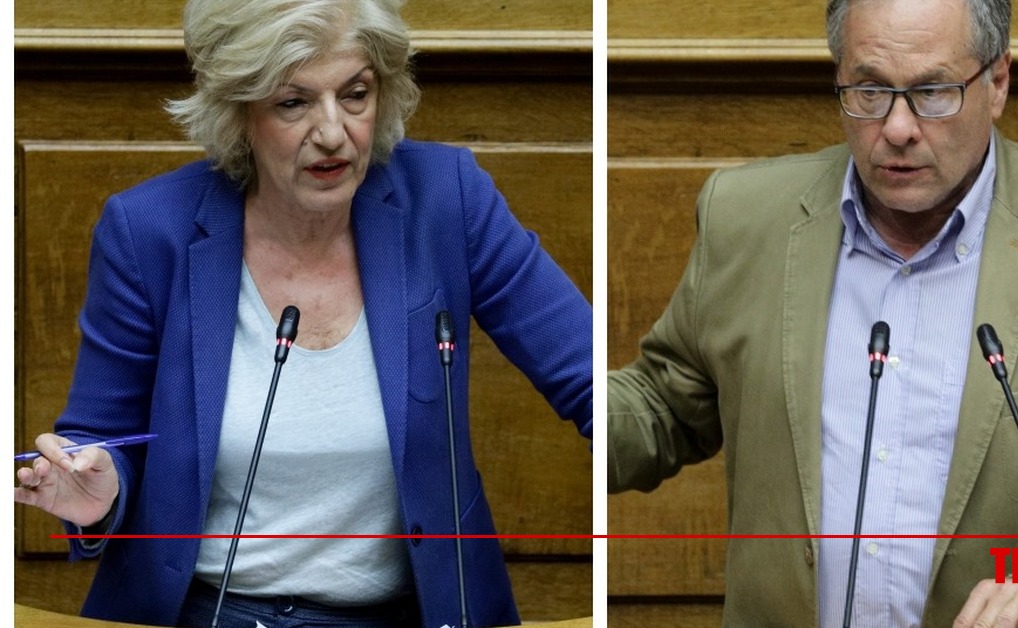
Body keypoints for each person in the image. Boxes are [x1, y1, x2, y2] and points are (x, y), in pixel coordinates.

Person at [13, 0, 592, 626]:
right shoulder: (149, 231)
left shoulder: (446, 200)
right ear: (239, 112)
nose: (333, 132)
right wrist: (99, 490)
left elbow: (588, 377)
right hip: (206, 612)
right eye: (294, 103)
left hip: (408, 615)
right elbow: (101, 442)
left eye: (356, 95)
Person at [607, 0, 1018, 625]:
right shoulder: (745, 218)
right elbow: (664, 409)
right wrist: (552, 345)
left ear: (997, 83)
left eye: (933, 92)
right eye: (870, 91)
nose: (899, 127)